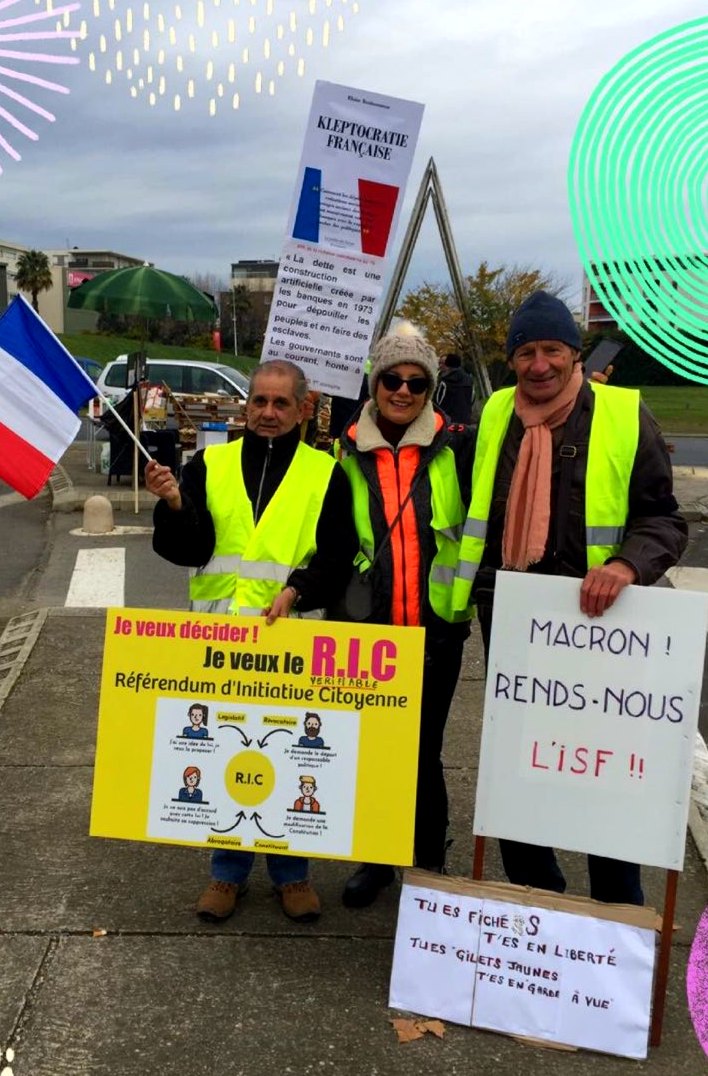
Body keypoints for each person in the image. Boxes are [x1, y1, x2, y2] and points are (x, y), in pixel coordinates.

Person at [452, 290, 688, 905]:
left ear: (573, 352)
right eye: (525, 352)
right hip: (514, 621)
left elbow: (664, 520)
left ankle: (615, 906)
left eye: (551, 349)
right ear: (511, 360)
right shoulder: (497, 413)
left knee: (604, 773)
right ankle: (538, 899)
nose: (538, 365)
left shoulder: (623, 412)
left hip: (602, 625)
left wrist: (626, 564)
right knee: (521, 767)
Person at [145, 359, 358, 925]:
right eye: (259, 401)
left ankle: (293, 873)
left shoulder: (324, 473)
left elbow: (338, 557)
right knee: (223, 752)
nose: (267, 412)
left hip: (290, 641)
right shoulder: (208, 464)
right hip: (218, 639)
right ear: (247, 405)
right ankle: (227, 870)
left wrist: (298, 589)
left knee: (290, 755)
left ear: (302, 409)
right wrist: (172, 505)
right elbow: (189, 549)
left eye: (280, 403)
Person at [334, 327, 475, 907]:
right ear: (375, 384)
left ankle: (428, 862)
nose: (403, 390)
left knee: (424, 751)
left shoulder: (456, 447)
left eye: (417, 382)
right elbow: (332, 536)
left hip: (436, 629)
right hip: (371, 631)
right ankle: (375, 860)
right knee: (372, 749)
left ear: (431, 388)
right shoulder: (345, 449)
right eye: (392, 379)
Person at [434, 353, 474, 424]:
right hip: (466, 420)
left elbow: (437, 401)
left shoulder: (444, 382)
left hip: (448, 421)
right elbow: (472, 398)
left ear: (447, 364)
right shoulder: (469, 380)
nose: (440, 366)